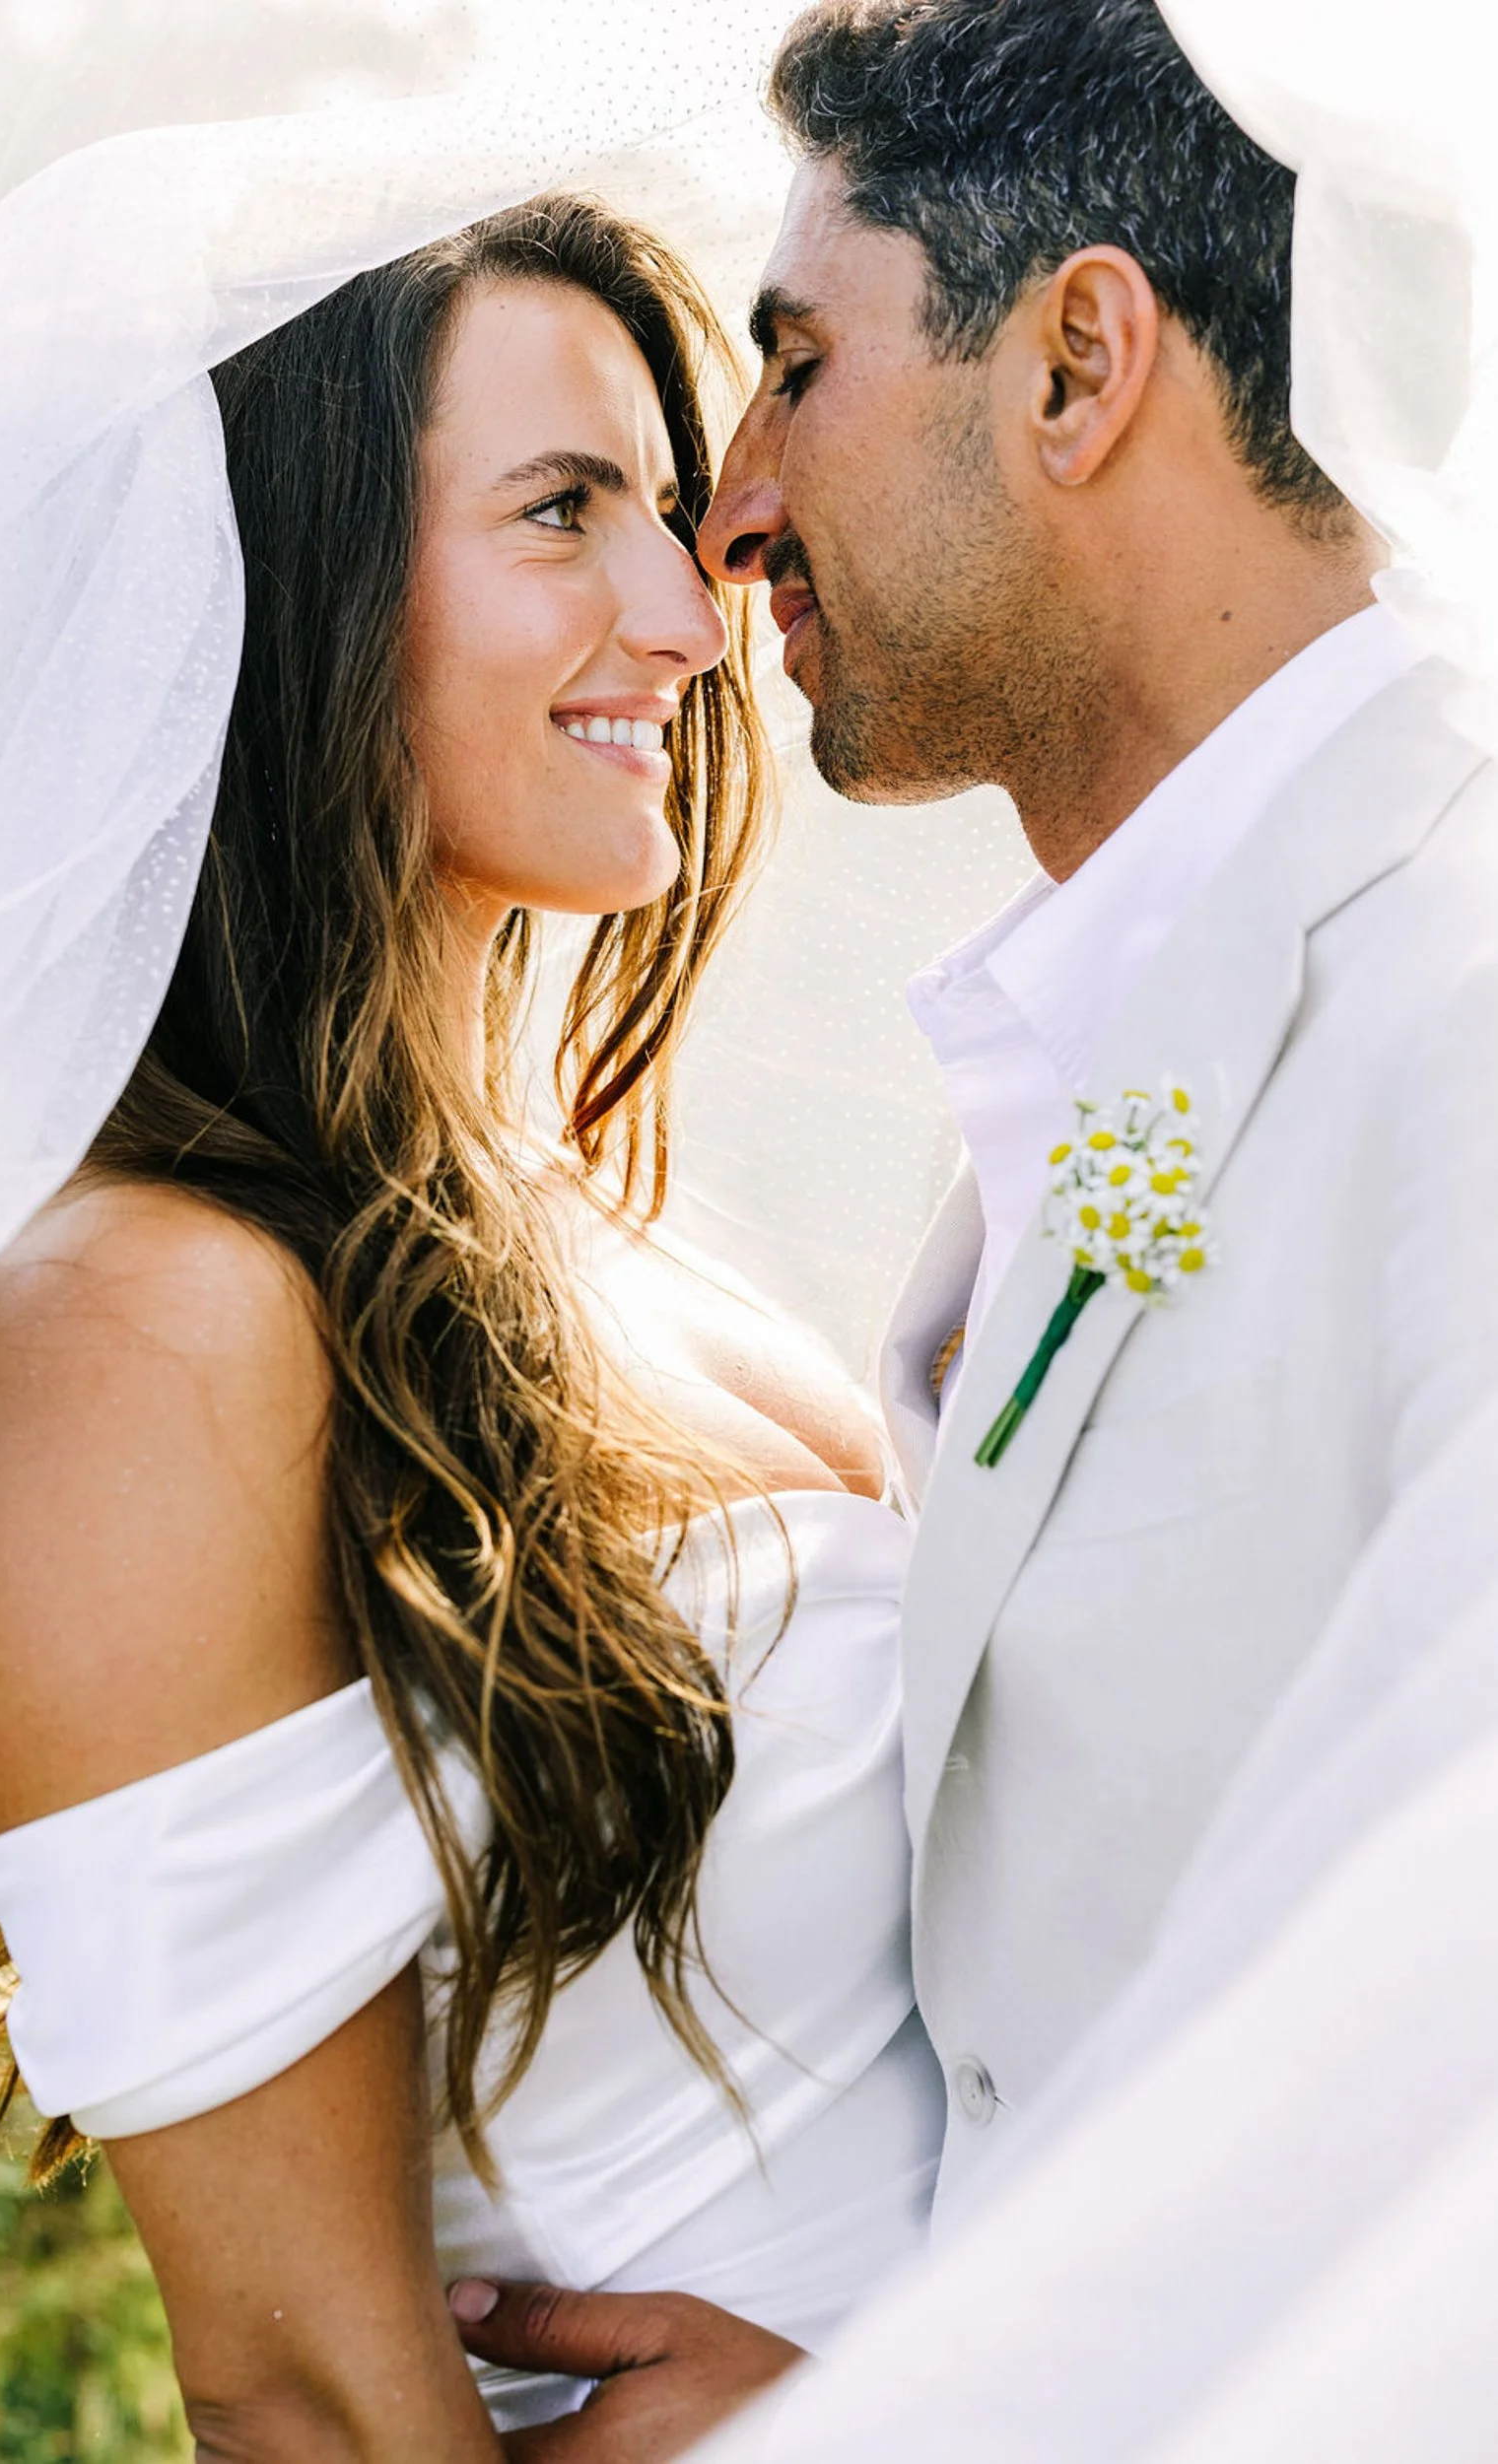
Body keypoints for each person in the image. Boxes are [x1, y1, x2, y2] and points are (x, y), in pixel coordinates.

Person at [444, 1, 1498, 2453]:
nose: (729, 508)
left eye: (796, 363)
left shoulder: (1464, 1015)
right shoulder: (1128, 1037)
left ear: (1078, 363)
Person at [0, 192, 945, 2455]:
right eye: (562, 512)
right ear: (277, 596)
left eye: (667, 509)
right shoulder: (142, 1320)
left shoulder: (608, 1238)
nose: (685, 610)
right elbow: (311, 2390)